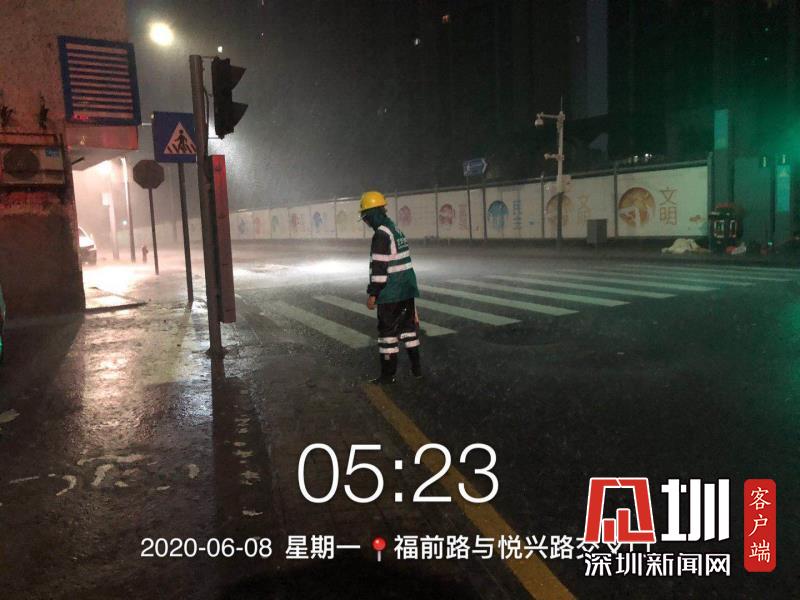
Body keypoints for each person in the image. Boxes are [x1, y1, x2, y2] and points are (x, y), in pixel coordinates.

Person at [359, 190, 422, 384]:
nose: (366, 222)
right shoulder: (395, 230)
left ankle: (388, 375)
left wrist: (373, 294)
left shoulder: (381, 234)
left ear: (372, 214)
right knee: (408, 331)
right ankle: (417, 369)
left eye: (366, 217)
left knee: (387, 335)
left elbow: (379, 268)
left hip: (391, 293)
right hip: (406, 290)